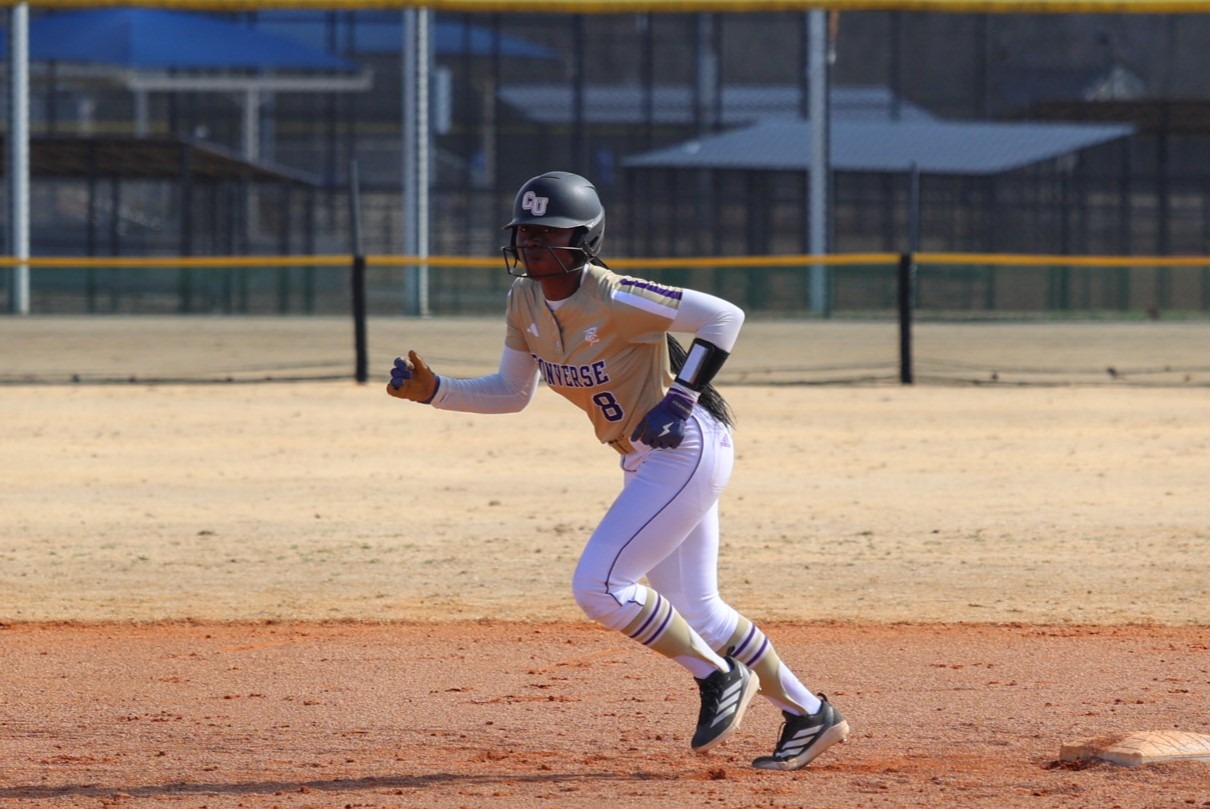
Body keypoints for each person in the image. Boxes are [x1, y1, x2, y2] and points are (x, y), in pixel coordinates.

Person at [386, 170, 849, 770]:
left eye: (549, 232)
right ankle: (810, 714)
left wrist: (681, 396)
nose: (532, 243)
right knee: (699, 608)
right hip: (645, 458)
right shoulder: (524, 300)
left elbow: (724, 317)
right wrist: (436, 391)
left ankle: (717, 675)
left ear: (584, 239)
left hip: (685, 446)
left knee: (599, 587)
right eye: (525, 232)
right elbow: (510, 392)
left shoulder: (614, 294)